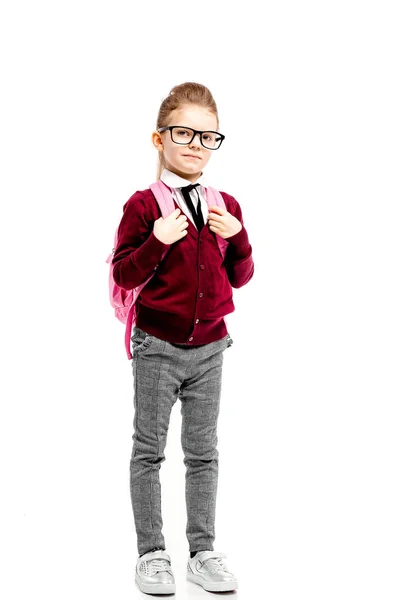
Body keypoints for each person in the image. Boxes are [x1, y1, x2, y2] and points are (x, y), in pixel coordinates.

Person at [112, 82, 254, 595]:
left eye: (208, 136)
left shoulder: (226, 203)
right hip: (158, 347)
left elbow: (241, 276)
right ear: (159, 138)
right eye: (183, 132)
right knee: (148, 451)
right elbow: (125, 276)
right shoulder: (143, 205)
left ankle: (202, 552)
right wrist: (157, 241)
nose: (195, 144)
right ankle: (152, 554)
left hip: (212, 348)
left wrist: (237, 235)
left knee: (203, 452)